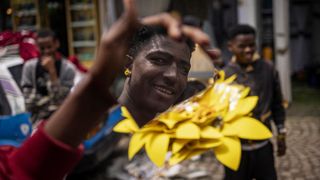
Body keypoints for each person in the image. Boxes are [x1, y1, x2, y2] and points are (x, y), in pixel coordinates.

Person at [0, 0, 212, 179]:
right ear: (127, 63)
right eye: (158, 60)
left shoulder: (191, 132)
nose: (173, 75)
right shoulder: (94, 137)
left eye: (184, 68)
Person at [222, 24, 287, 180]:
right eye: (242, 46)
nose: (248, 50)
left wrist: (281, 134)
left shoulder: (268, 69)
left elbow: (277, 105)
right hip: (234, 149)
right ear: (230, 46)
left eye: (252, 45)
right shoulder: (223, 74)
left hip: (263, 147)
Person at [20, 29, 76, 123]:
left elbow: (62, 100)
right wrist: (52, 101)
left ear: (56, 44)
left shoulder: (68, 68)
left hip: (61, 121)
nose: (46, 51)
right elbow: (29, 102)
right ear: (37, 47)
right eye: (42, 48)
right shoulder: (29, 67)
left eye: (49, 47)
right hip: (37, 121)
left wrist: (52, 72)